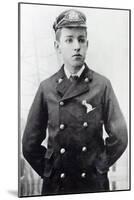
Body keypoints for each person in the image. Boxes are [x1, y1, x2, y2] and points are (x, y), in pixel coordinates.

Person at [22, 9, 128, 195]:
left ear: (87, 44)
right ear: (57, 46)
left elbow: (120, 137)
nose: (76, 46)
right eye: (69, 40)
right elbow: (29, 145)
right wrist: (50, 171)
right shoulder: (46, 88)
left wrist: (99, 165)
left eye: (81, 39)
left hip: (92, 184)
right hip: (58, 186)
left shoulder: (102, 85)